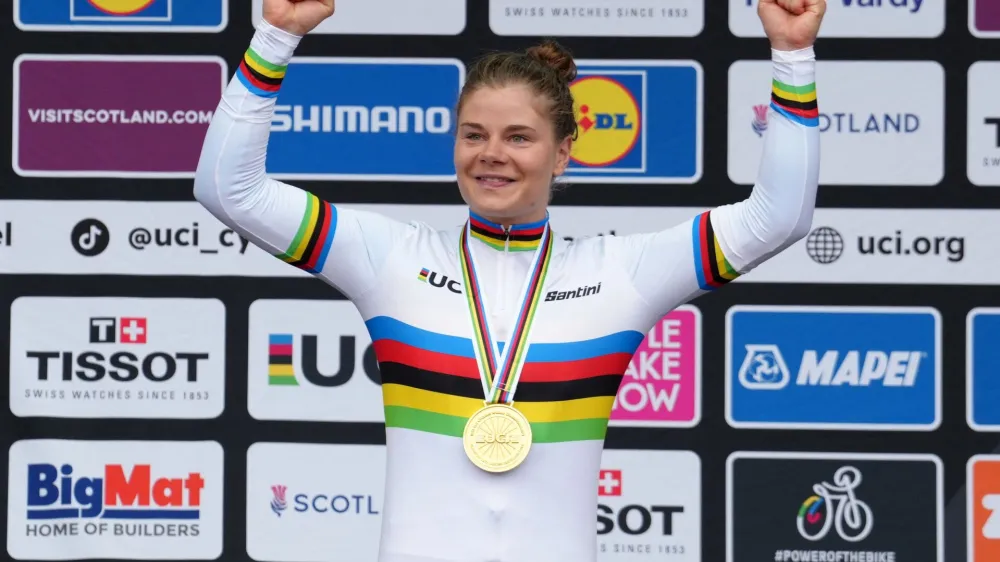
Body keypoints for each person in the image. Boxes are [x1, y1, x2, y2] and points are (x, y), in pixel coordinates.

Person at [194, 0, 825, 560]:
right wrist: (273, 39)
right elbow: (228, 190)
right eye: (474, 134)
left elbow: (781, 216)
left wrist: (792, 56)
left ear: (562, 153)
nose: (491, 153)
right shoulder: (389, 258)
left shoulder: (619, 275)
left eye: (519, 137)